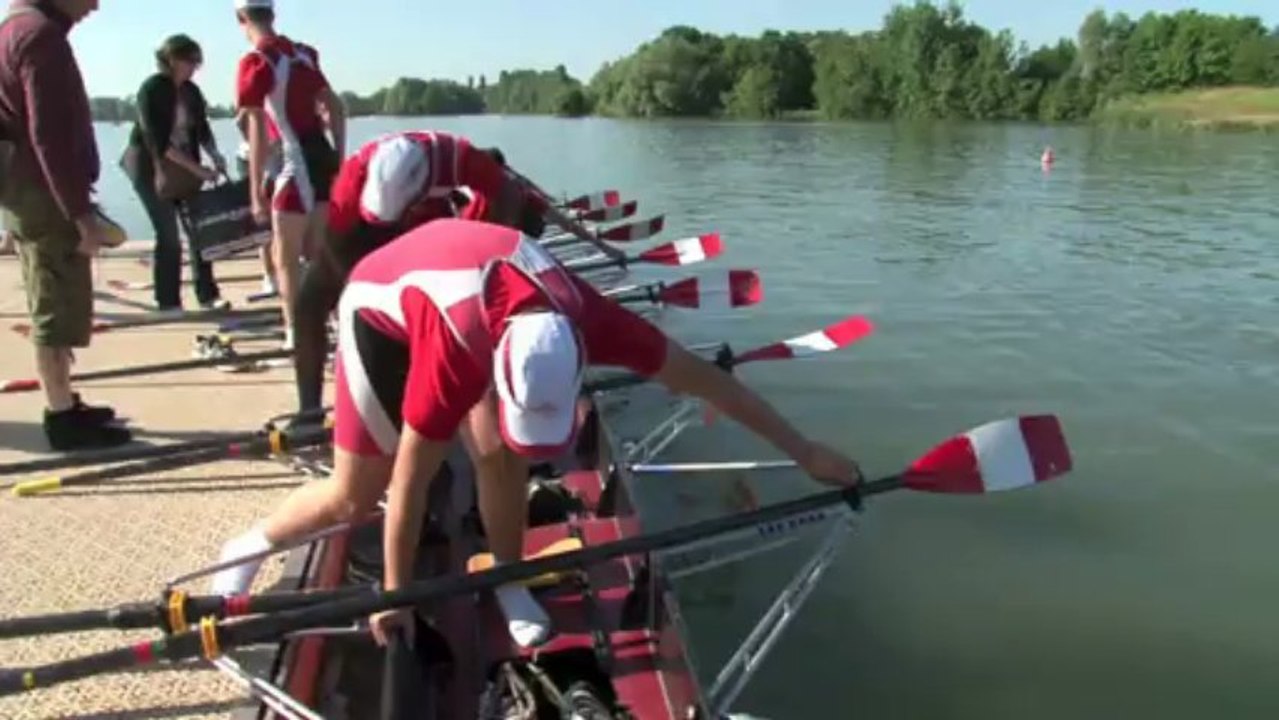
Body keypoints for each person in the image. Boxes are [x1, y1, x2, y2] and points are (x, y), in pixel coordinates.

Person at [212, 218, 862, 649]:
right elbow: (408, 486)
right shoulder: (456, 350)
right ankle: (245, 547)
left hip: (486, 288)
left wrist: (804, 451)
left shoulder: (591, 316)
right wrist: (394, 594)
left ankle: (507, 578)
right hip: (381, 305)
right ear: (494, 364)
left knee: (497, 454)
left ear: (581, 356)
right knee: (358, 492)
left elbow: (707, 381)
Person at [288, 131, 539, 423]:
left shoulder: (452, 156)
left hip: (432, 227)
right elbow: (346, 268)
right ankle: (309, 410)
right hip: (362, 234)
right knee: (309, 304)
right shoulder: (348, 189)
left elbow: (506, 193)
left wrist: (491, 254)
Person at [0, 0, 132, 450]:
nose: (96, 4)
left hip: (26, 191)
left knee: (52, 295)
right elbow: (48, 135)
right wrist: (80, 215)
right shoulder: (41, 37)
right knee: (54, 307)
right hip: (45, 197)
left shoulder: (14, 29)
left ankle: (65, 402)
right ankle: (61, 417)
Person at [234, 0, 345, 350]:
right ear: (272, 14)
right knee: (319, 252)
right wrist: (340, 160)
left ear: (242, 19)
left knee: (286, 256)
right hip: (321, 157)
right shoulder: (303, 54)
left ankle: (296, 332)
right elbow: (336, 107)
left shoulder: (256, 62)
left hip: (291, 161)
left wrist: (254, 192)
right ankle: (337, 323)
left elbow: (255, 132)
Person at [122, 33, 229, 313]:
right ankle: (167, 300)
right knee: (168, 233)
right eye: (189, 60)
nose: (194, 66)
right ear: (170, 60)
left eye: (197, 62)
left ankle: (207, 295)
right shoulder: (152, 89)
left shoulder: (191, 92)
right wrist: (198, 170)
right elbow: (157, 142)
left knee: (199, 230)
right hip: (150, 167)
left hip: (185, 166)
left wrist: (216, 157)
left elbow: (202, 129)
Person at [234, 108, 279, 297]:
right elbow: (242, 121)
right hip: (253, 161)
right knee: (263, 227)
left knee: (283, 223)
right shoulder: (255, 97)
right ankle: (269, 275)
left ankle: (284, 269)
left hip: (279, 161)